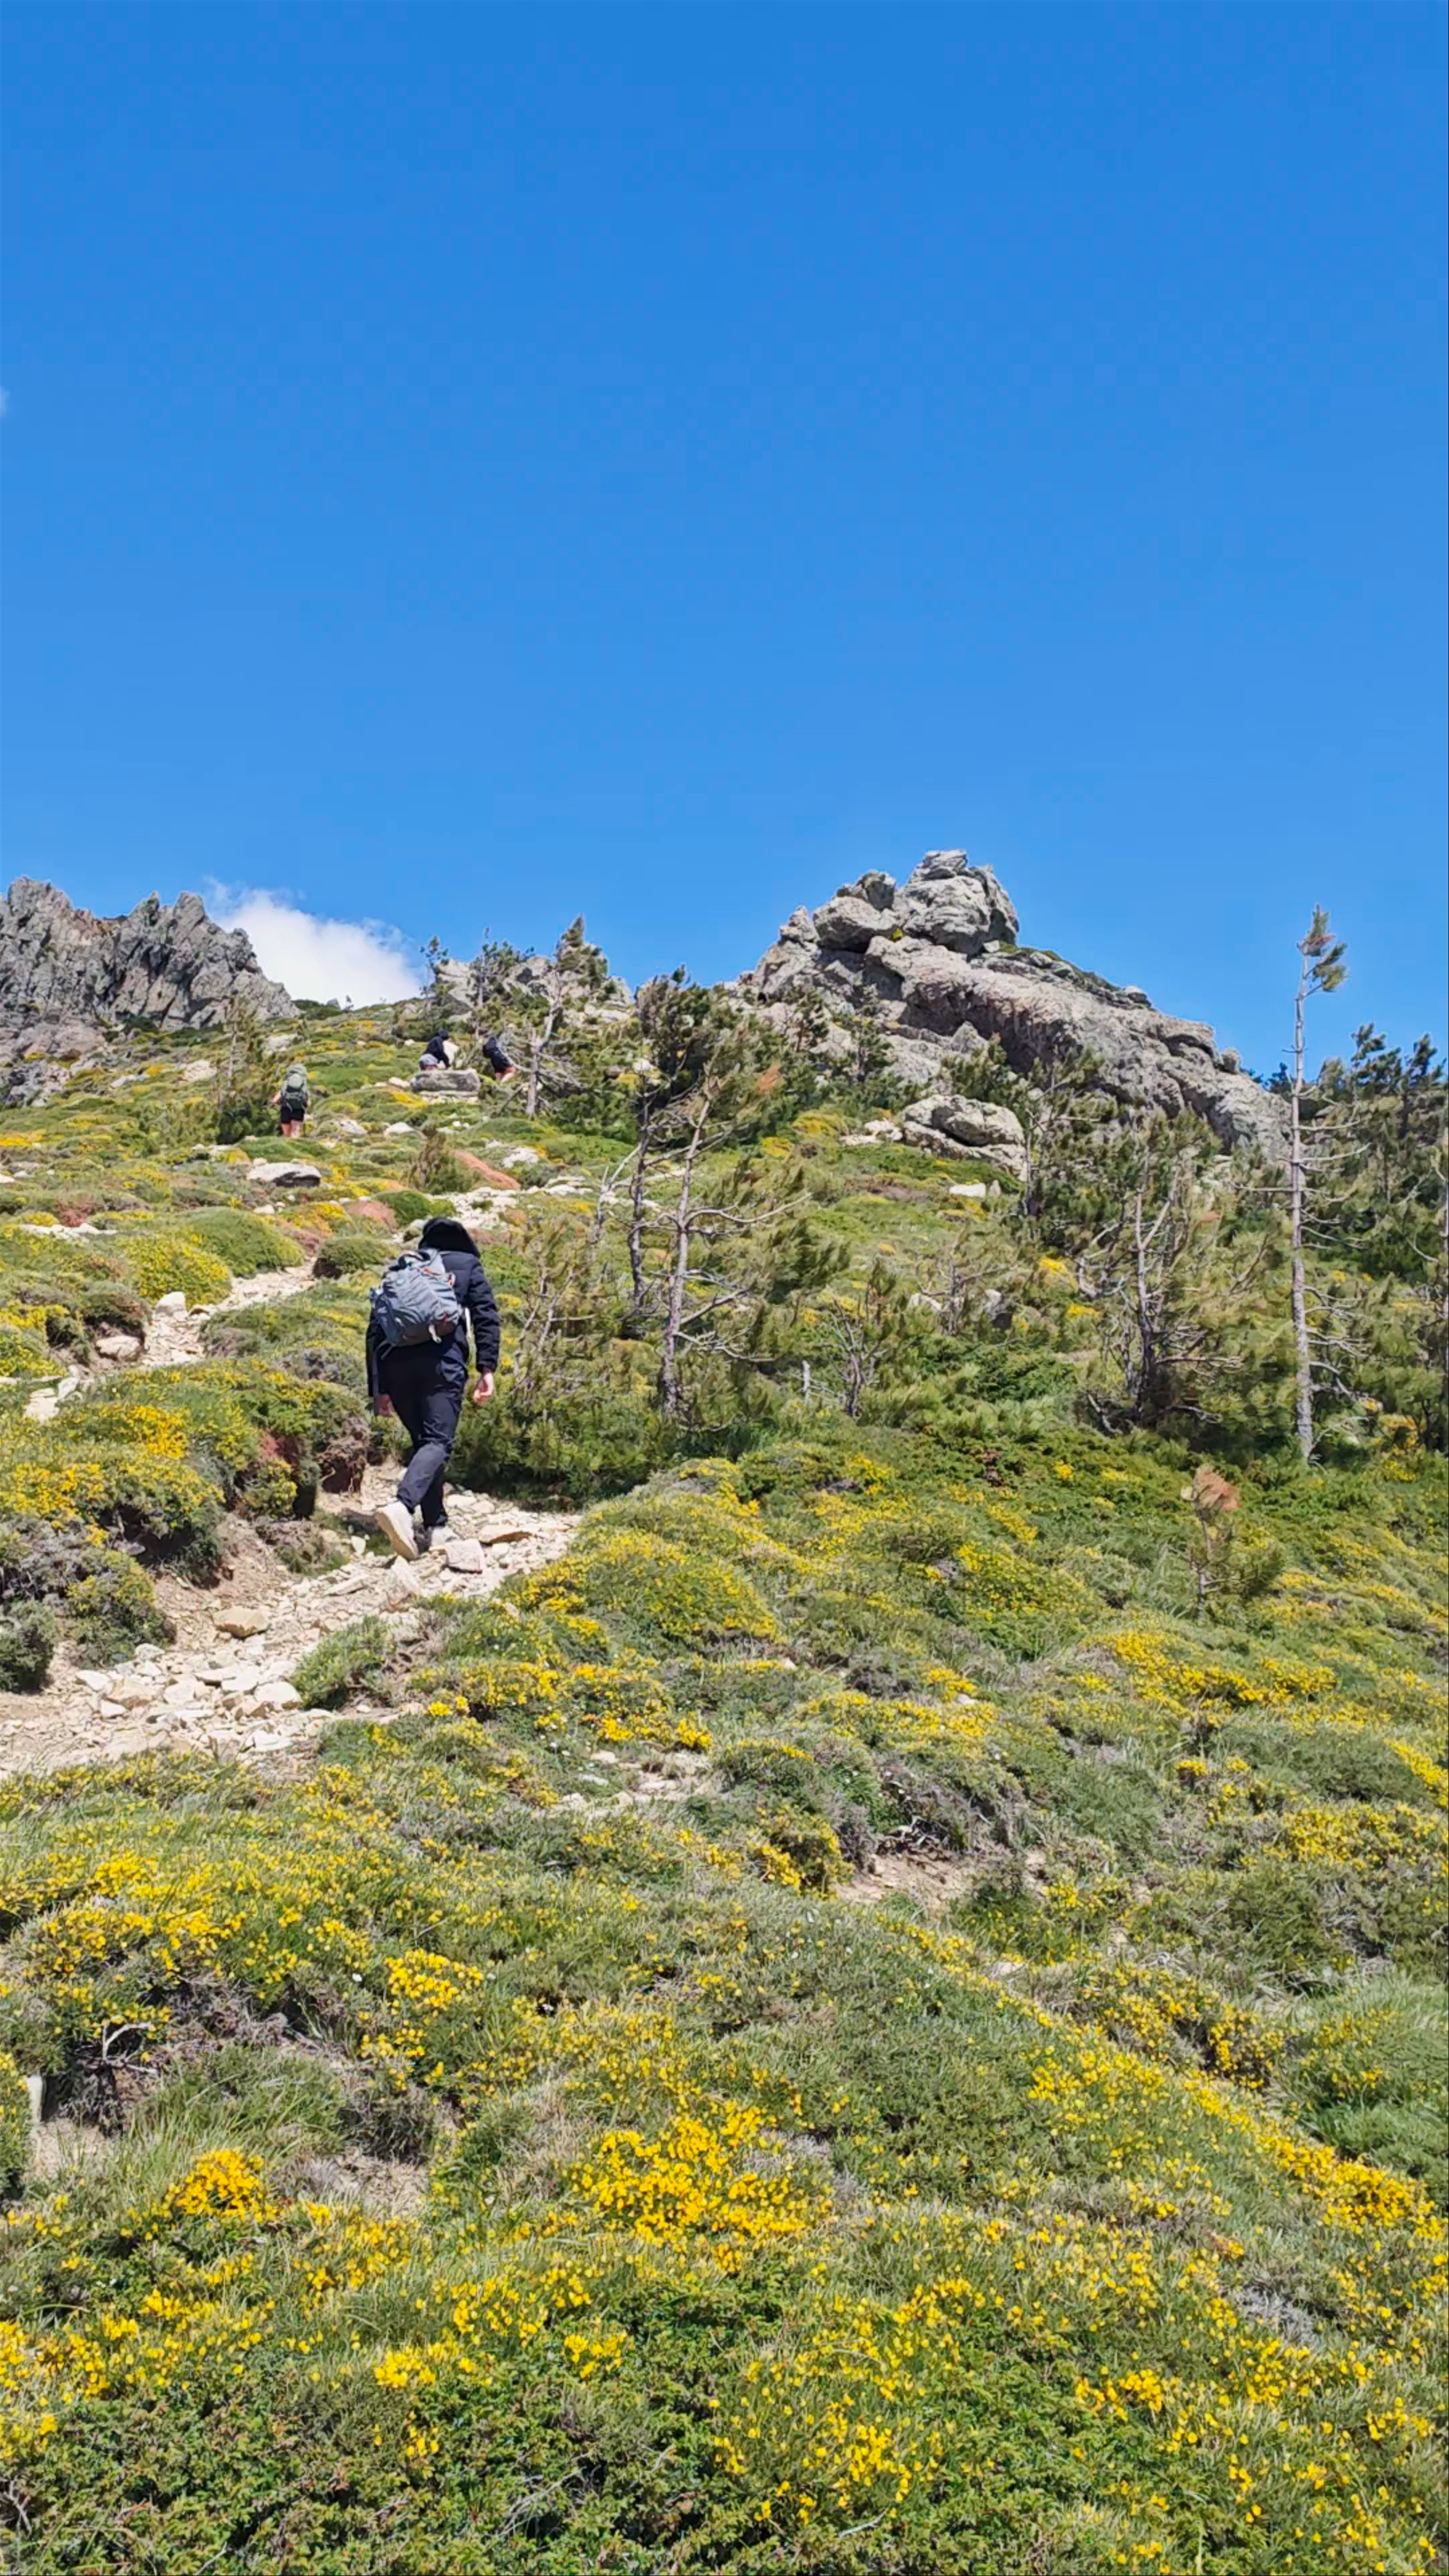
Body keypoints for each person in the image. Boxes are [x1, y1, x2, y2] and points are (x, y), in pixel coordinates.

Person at [367, 1216, 500, 1559]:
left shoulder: (402, 1268)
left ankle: (437, 1526)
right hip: (442, 1364)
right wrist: (488, 1369)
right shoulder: (467, 1265)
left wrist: (378, 1388)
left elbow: (375, 1328)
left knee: (426, 1444)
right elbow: (486, 1316)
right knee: (439, 1442)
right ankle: (402, 1505)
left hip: (396, 1368)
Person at [272, 1062, 309, 1138]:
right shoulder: (303, 1083)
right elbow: (307, 1101)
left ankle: (286, 1148)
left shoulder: (287, 1082)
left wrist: (278, 1104)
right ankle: (295, 1147)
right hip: (299, 1109)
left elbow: (275, 1100)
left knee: (287, 1135)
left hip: (286, 1108)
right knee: (295, 1133)